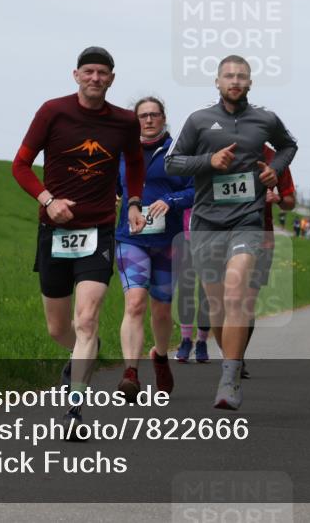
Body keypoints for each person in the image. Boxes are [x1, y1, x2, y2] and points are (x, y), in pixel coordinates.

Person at [11, 46, 146, 433]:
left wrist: (133, 202)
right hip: (54, 229)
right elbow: (20, 165)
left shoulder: (123, 122)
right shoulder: (53, 111)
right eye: (88, 72)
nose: (95, 79)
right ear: (76, 75)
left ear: (112, 79)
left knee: (86, 320)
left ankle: (74, 412)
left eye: (102, 73)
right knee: (59, 329)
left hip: (99, 229)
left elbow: (135, 163)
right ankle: (84, 350)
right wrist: (48, 201)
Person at [165, 54, 298, 410]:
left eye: (241, 76)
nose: (235, 81)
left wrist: (274, 170)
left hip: (248, 219)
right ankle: (232, 365)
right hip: (207, 222)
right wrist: (209, 161)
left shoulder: (265, 119)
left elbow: (289, 145)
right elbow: (172, 162)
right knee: (215, 307)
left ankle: (228, 377)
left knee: (237, 289)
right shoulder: (199, 120)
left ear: (250, 83)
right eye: (229, 76)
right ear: (217, 82)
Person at [115, 97, 194, 401]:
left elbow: (195, 189)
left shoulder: (179, 151)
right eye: (143, 115)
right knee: (135, 302)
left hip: (168, 241)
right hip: (131, 236)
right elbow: (111, 184)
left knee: (161, 309)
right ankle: (130, 373)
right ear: (135, 120)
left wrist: (171, 201)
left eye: (155, 115)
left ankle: (160, 356)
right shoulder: (122, 151)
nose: (149, 120)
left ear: (163, 118)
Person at [241, 144, 296, 379]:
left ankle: (235, 358)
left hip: (261, 238)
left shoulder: (274, 158)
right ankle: (229, 352)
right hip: (222, 234)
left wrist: (278, 198)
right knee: (222, 302)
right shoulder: (223, 149)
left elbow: (290, 201)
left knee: (246, 302)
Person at [175, 208, 211, 364]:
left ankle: (202, 341)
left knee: (207, 293)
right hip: (185, 238)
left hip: (209, 239)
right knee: (185, 288)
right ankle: (186, 340)